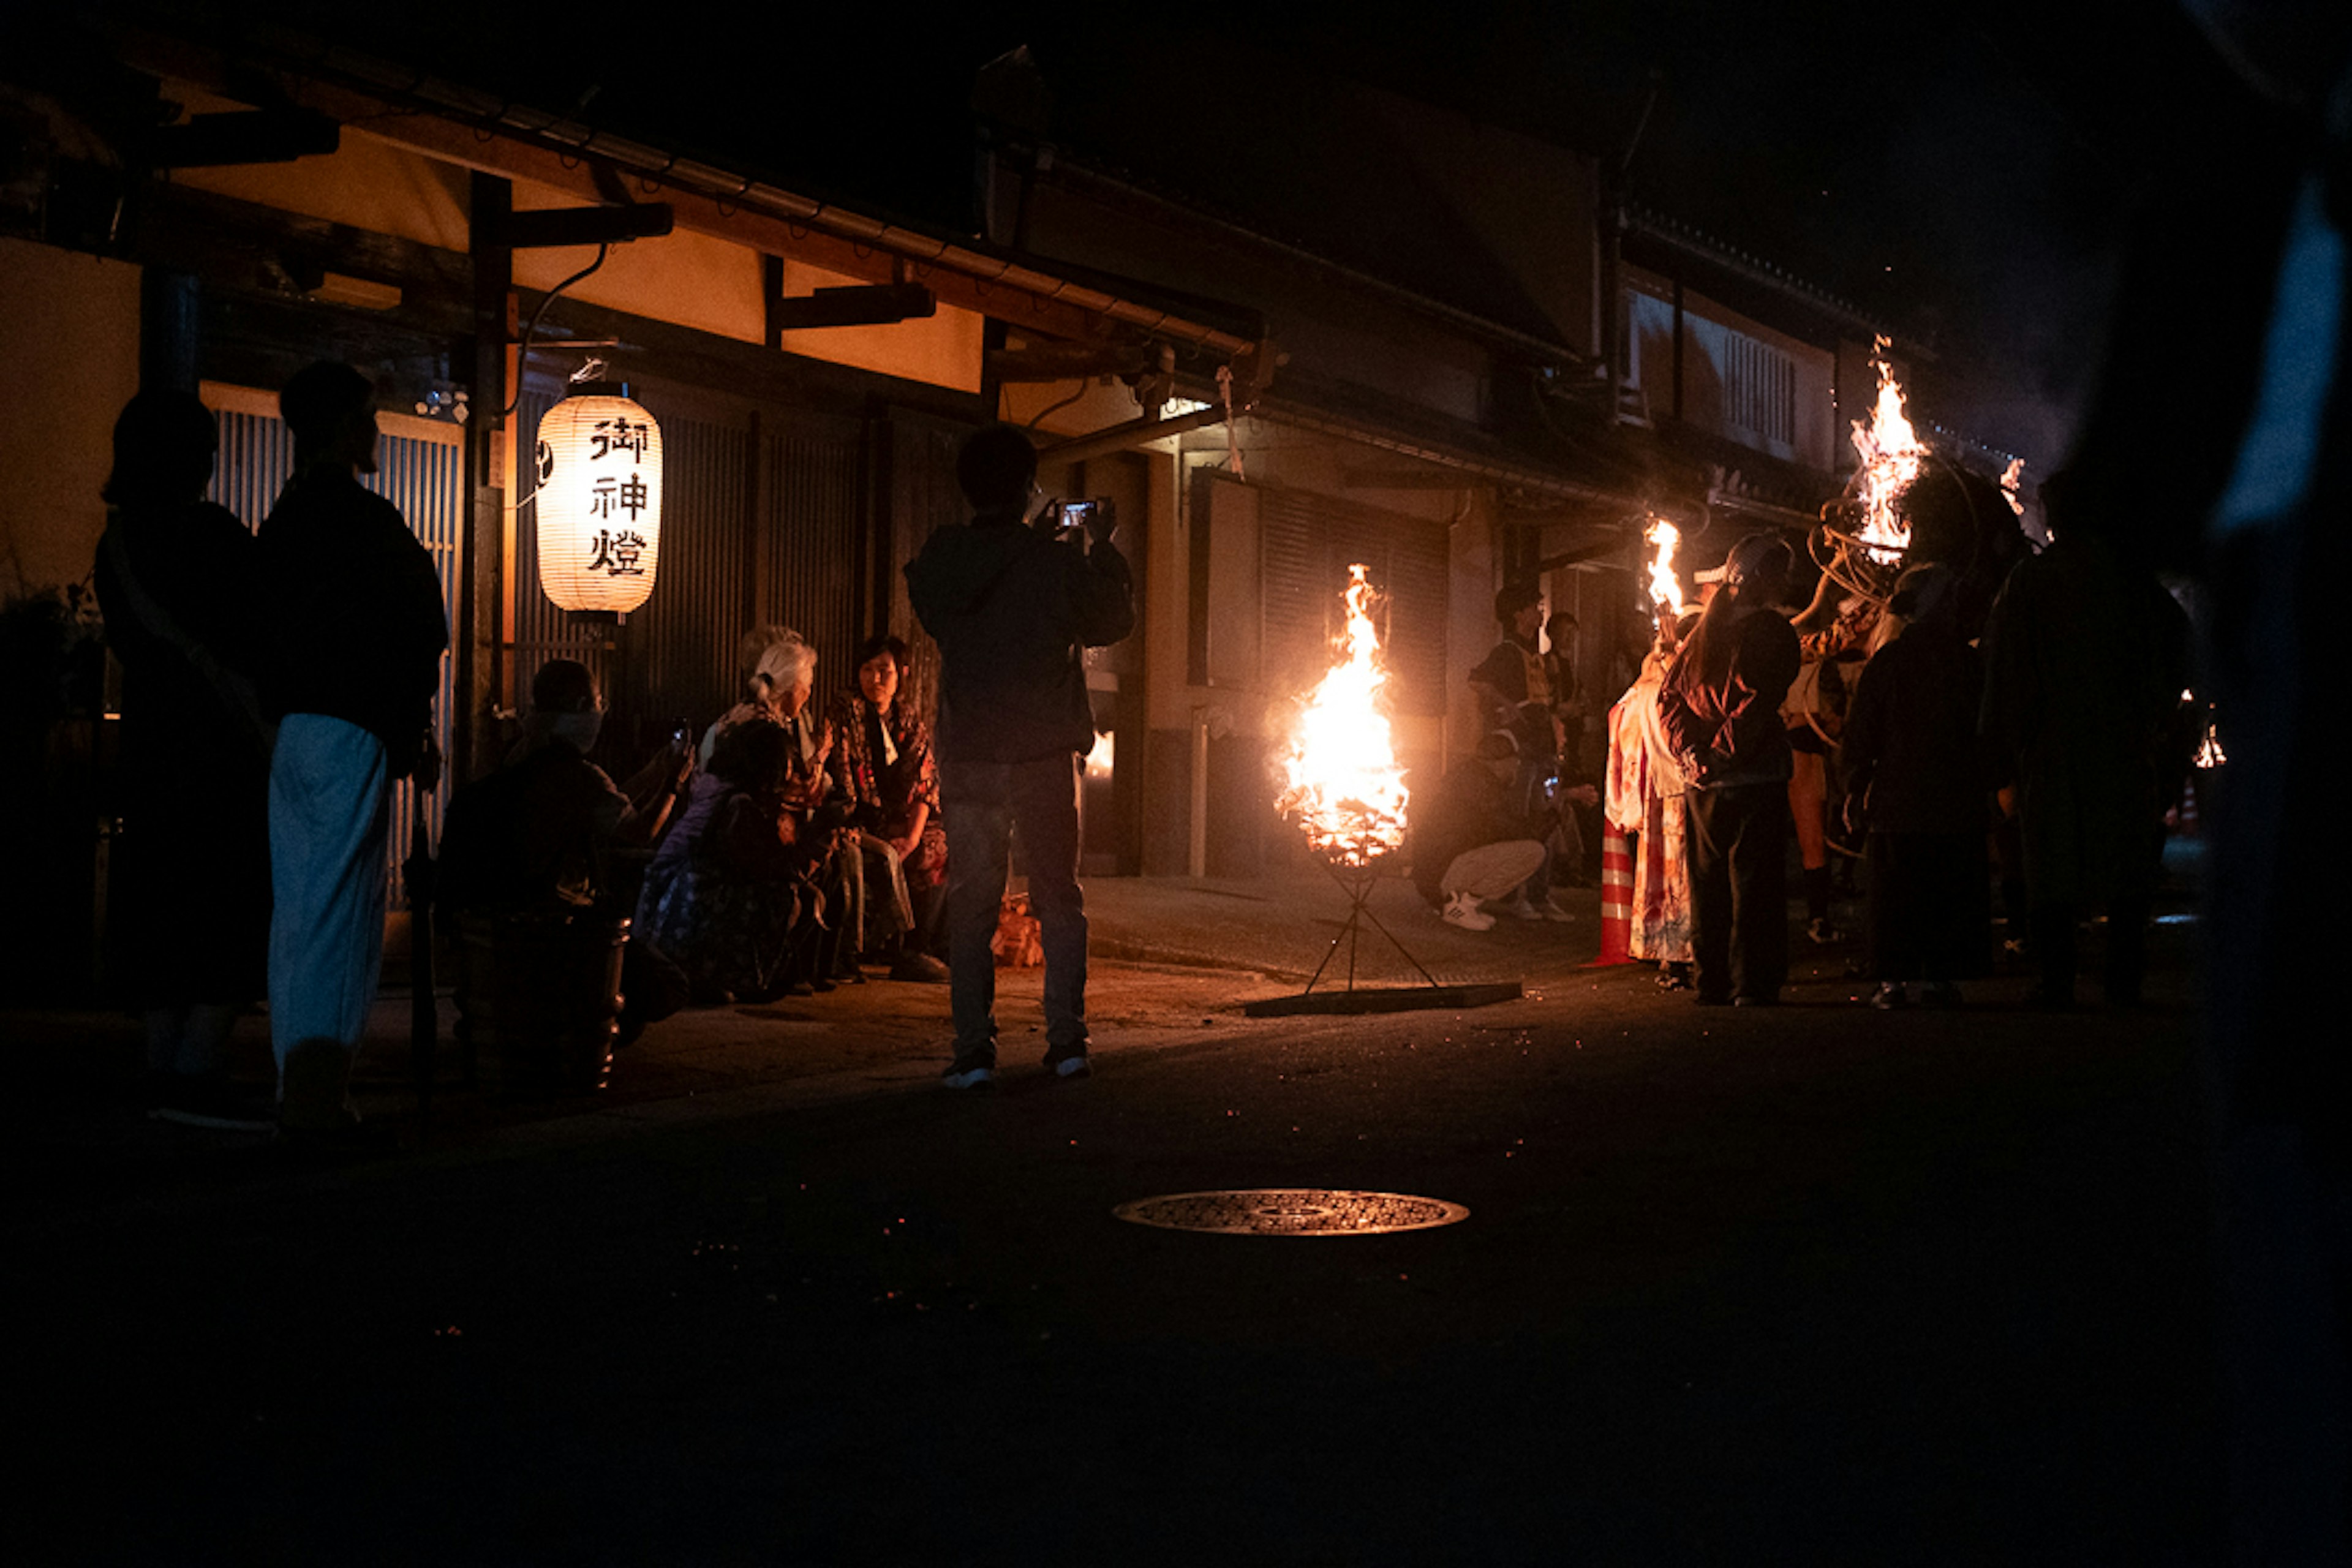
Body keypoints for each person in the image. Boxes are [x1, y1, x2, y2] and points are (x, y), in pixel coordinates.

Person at [905, 424, 1134, 1087]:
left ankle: (973, 1052)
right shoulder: (1054, 561)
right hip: (1040, 753)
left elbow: (933, 610)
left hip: (970, 750)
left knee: (973, 902)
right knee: (1058, 898)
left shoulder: (944, 556)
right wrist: (1102, 549)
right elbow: (1111, 622)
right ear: (1028, 488)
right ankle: (1067, 1044)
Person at [254, 361, 448, 1145]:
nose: (375, 429)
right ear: (342, 427)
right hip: (353, 728)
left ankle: (295, 1083)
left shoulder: (284, 518)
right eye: (367, 415)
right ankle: (316, 1094)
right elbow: (418, 627)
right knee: (343, 912)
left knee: (299, 908)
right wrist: (412, 730)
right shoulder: (366, 522)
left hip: (291, 728)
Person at [91, 390, 274, 1131]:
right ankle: (199, 1064)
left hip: (150, 744)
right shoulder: (212, 534)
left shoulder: (117, 544)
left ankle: (163, 1061)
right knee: (227, 895)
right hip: (217, 747)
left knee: (161, 894)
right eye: (203, 447)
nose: (211, 460)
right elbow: (260, 625)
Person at [1979, 468, 2188, 1007]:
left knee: (2051, 864)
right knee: (2124, 870)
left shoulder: (2029, 582)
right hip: (2120, 746)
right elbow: (2177, 651)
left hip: (2051, 748)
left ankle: (2056, 981)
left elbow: (2005, 672)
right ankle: (2123, 981)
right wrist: (2154, 719)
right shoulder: (2133, 582)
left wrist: (2001, 758)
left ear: (2053, 515)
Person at [436, 659, 695, 1042]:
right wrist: (673, 783)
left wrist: (654, 773)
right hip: (559, 930)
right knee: (668, 984)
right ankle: (571, 1018)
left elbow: (600, 806)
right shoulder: (576, 775)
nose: (600, 710)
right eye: (596, 701)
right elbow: (639, 831)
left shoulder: (514, 756)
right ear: (578, 706)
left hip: (488, 927)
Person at [1657, 532, 1803, 1006]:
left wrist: (1694, 755)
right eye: (1779, 571)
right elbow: (1758, 704)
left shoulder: (1705, 631)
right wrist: (1717, 754)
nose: (1786, 581)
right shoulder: (1770, 632)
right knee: (1755, 886)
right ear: (1759, 576)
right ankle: (1753, 985)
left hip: (1705, 783)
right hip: (1752, 777)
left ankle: (1712, 982)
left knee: (1710, 885)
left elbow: (1670, 699)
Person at [1840, 564, 1991, 1008]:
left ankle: (1894, 981)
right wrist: (1993, 783)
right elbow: (1984, 729)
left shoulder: (1890, 662)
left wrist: (1856, 785)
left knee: (1897, 892)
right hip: (1952, 800)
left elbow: (1862, 732)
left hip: (1899, 801)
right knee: (1946, 889)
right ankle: (1939, 979)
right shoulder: (1965, 662)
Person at [635, 719, 821, 1003]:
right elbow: (760, 866)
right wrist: (813, 845)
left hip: (663, 905)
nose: (792, 770)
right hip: (682, 907)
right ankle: (722, 975)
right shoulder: (738, 804)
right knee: (782, 895)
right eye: (788, 762)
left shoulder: (717, 788)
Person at [826, 633, 950, 983]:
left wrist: (911, 838)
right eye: (867, 669)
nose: (875, 679)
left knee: (938, 847)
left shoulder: (908, 720)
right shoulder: (845, 709)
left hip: (900, 819)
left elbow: (925, 784)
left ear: (902, 674)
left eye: (885, 670)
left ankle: (917, 949)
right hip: (860, 817)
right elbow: (842, 775)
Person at [1468, 581, 1572, 921]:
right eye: (1535, 607)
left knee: (1547, 816)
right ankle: (1515, 893)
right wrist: (1508, 707)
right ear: (1519, 614)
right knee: (1520, 818)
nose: (1540, 612)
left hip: (1543, 746)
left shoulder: (1537, 656)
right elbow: (1477, 681)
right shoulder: (1506, 651)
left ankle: (1540, 895)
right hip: (1522, 749)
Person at [1605, 613, 1698, 987]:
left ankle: (1663, 949)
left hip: (1656, 793)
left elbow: (1621, 731)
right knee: (1682, 876)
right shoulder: (1668, 688)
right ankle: (1681, 952)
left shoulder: (1639, 693)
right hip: (1677, 788)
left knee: (1661, 875)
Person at [1409, 731, 1552, 931]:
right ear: (1500, 763)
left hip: (1434, 870)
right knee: (1532, 852)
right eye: (1514, 762)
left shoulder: (1469, 779)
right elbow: (1512, 830)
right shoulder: (1482, 786)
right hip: (1443, 871)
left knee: (1520, 849)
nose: (1517, 768)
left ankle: (1454, 903)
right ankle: (1457, 906)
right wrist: (1554, 810)